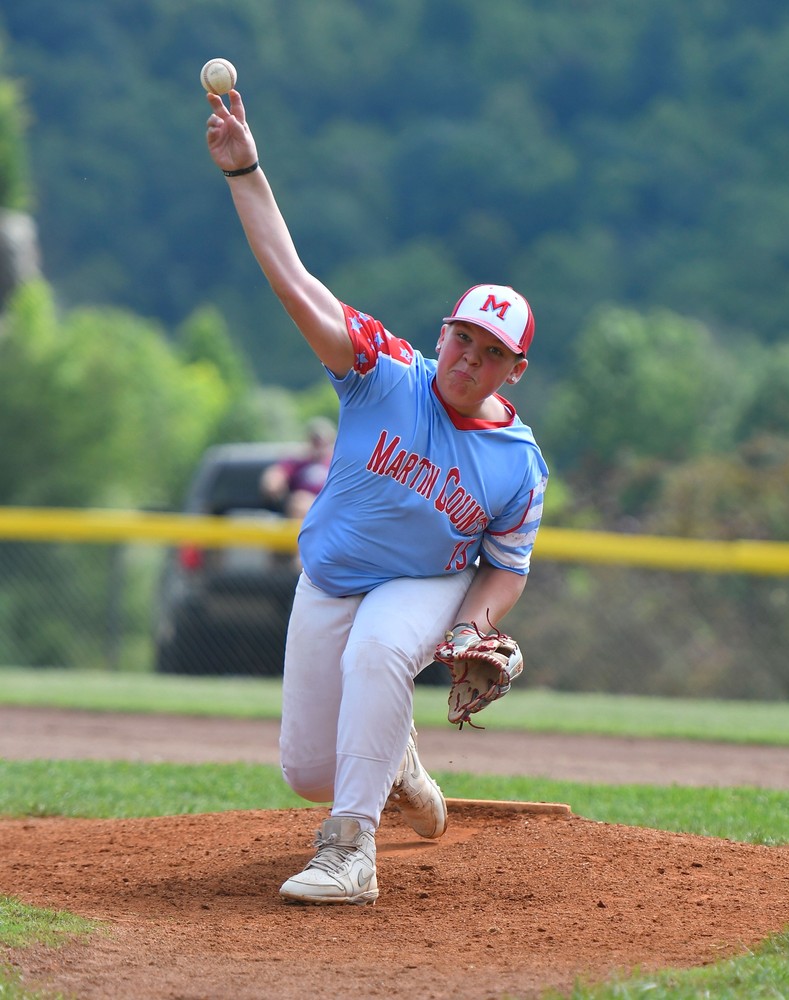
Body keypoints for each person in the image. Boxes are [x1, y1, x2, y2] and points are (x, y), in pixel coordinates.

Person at [204, 88, 548, 906]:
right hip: (332, 578)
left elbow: (506, 568)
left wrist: (471, 626)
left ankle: (350, 852)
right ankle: (396, 760)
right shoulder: (381, 373)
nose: (469, 359)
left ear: (515, 371)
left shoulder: (519, 465)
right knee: (307, 771)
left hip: (425, 582)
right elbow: (294, 282)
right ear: (443, 333)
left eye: (491, 353)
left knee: (380, 651)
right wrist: (246, 172)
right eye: (463, 338)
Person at [260, 416, 336, 519]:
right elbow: (278, 472)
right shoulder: (298, 462)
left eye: (321, 441)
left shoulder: (337, 464)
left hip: (329, 506)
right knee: (299, 502)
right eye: (315, 440)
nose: (318, 444)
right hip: (299, 504)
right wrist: (273, 480)